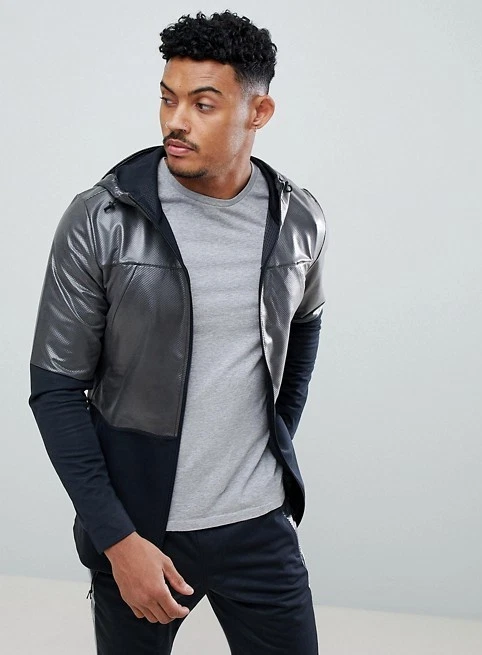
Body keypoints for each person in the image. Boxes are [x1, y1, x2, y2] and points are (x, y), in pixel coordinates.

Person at [29, 10, 327, 655]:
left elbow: (303, 336)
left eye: (203, 104)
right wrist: (118, 540)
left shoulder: (299, 220)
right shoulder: (102, 218)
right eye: (168, 99)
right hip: (142, 533)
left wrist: (269, 448)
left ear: (258, 111)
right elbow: (55, 391)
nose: (176, 121)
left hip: (259, 526)